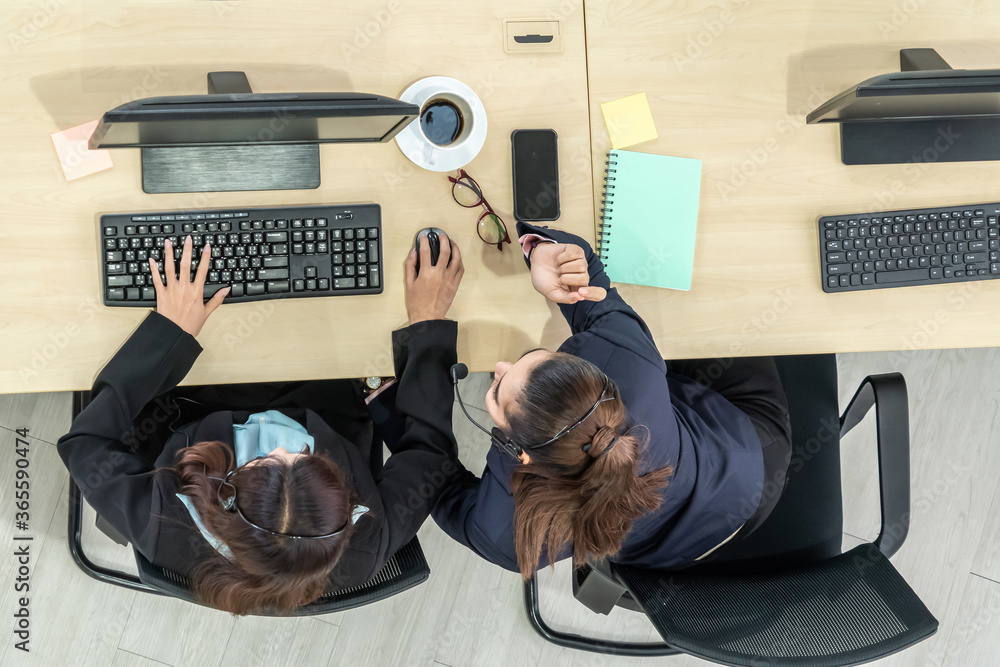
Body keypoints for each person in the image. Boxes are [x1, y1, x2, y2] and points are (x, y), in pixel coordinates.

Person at [57, 234, 465, 614]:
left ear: (227, 497)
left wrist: (170, 337)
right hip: (326, 397)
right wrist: (427, 326)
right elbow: (432, 455)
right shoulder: (367, 546)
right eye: (303, 460)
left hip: (195, 401)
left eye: (270, 462)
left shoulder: (163, 523)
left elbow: (85, 443)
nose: (286, 446)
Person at [421, 222, 792, 579]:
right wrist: (543, 248)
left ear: (518, 452)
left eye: (497, 387)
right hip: (742, 476)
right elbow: (594, 281)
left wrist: (422, 332)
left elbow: (431, 476)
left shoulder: (507, 534)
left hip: (728, 493)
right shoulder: (627, 364)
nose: (499, 365)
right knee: (715, 303)